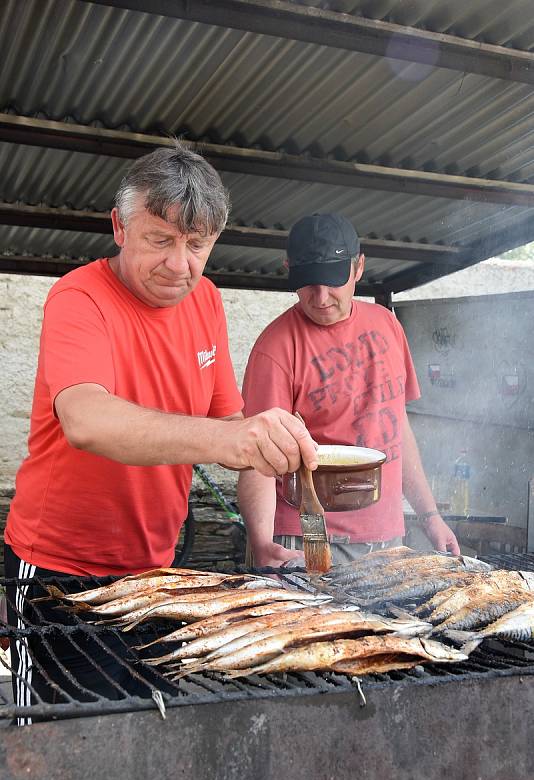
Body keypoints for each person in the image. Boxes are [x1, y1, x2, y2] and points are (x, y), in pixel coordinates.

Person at [4, 143, 317, 722]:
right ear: (119, 227)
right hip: (61, 570)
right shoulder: (79, 297)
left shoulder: (207, 302)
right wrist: (229, 439)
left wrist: (263, 531)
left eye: (197, 245)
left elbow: (232, 423)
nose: (180, 265)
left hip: (156, 569)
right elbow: (86, 420)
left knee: (141, 730)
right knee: (52, 744)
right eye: (161, 240)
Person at [237, 212, 460, 568]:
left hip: (388, 535)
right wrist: (261, 541)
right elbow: (256, 459)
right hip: (310, 532)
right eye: (309, 282)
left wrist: (430, 516)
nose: (321, 297)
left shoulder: (387, 325)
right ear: (288, 268)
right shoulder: (276, 347)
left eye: (332, 281)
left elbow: (397, 425)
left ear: (358, 267)